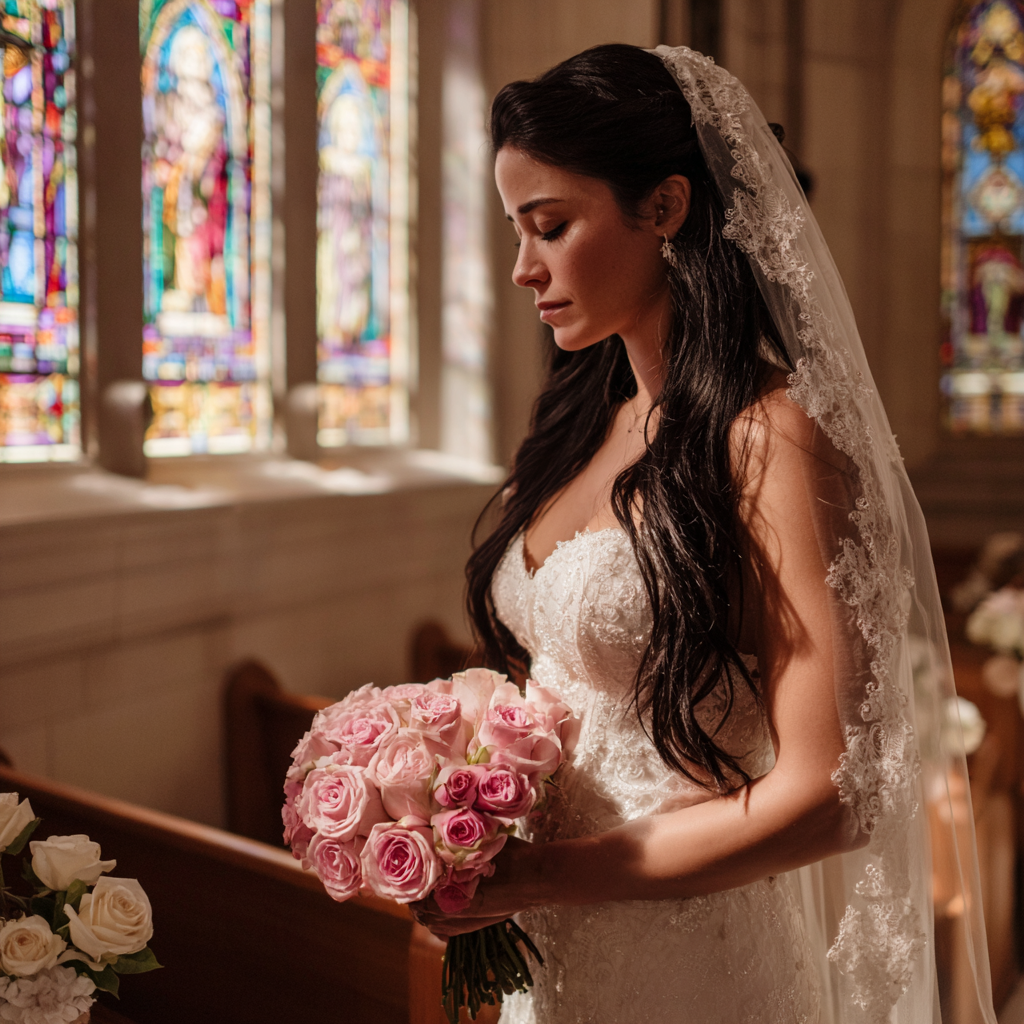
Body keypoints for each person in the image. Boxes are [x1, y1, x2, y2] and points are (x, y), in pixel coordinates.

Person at [412, 44, 997, 1024]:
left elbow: (836, 789)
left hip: (690, 967)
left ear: (666, 207)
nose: (522, 268)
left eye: (550, 226)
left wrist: (546, 872)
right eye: (517, 230)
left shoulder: (772, 440)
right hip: (549, 959)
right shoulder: (575, 426)